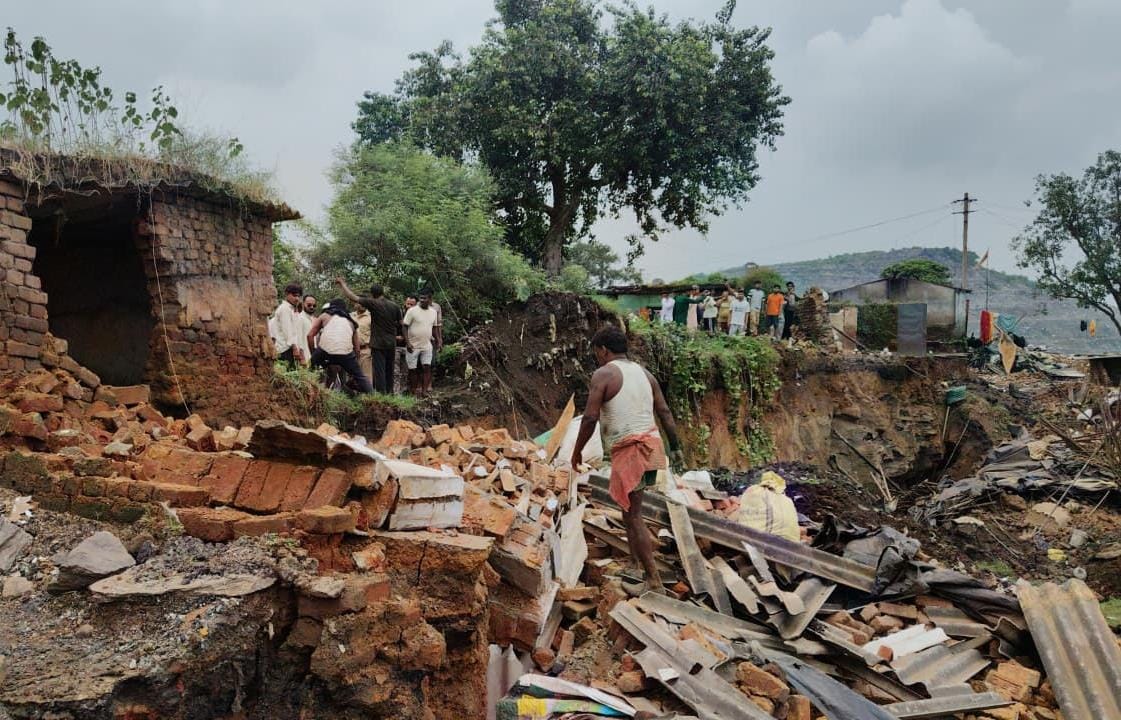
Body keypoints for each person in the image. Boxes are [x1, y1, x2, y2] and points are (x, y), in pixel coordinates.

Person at [570, 325, 681, 592]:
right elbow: (664, 411)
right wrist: (675, 446)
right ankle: (633, 564)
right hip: (651, 446)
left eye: (597, 352)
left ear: (603, 350)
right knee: (629, 509)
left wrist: (577, 451)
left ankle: (653, 579)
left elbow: (590, 417)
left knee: (634, 515)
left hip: (632, 449)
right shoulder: (645, 374)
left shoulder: (604, 374)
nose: (597, 357)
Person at [336, 279, 404, 394]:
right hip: (391, 343)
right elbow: (402, 324)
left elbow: (352, 296)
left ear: (372, 294)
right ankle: (390, 393)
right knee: (389, 370)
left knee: (380, 372)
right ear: (382, 292)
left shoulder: (373, 303)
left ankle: (382, 395)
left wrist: (342, 284)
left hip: (378, 344)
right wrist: (401, 336)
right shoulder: (395, 306)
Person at [306, 299, 373, 393]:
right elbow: (357, 349)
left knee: (310, 370)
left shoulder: (324, 315)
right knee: (360, 377)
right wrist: (355, 365)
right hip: (346, 354)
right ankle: (373, 396)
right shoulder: (352, 322)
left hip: (325, 350)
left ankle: (304, 390)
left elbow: (310, 336)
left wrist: (314, 355)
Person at [402, 289, 440, 396]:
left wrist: (438, 341)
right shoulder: (412, 311)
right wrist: (408, 342)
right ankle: (413, 391)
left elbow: (434, 328)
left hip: (426, 344)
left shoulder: (433, 312)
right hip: (413, 345)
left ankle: (424, 391)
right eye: (421, 298)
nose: (422, 300)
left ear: (430, 299)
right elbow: (404, 326)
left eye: (424, 298)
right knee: (412, 369)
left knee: (427, 367)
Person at [272, 283, 305, 368]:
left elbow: (295, 332)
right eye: (294, 295)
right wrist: (294, 347)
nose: (297, 298)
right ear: (287, 294)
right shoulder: (284, 309)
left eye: (298, 296)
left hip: (289, 349)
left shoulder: (291, 310)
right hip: (284, 349)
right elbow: (287, 331)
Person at [352, 301, 373, 385]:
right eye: (360, 303)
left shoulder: (371, 317)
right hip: (351, 351)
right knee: (352, 377)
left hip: (365, 351)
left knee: (366, 377)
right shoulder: (350, 316)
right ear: (355, 304)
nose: (362, 305)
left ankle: (368, 393)